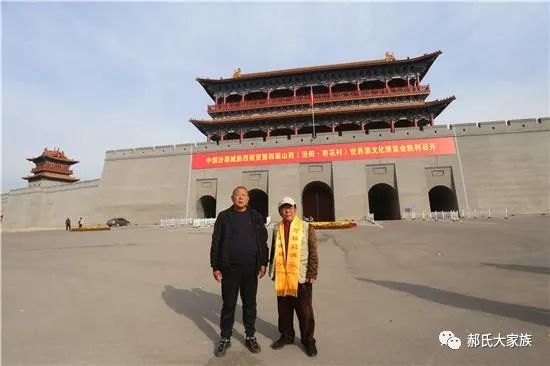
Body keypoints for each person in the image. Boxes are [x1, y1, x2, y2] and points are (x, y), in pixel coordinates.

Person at [210, 186, 268, 357]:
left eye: (244, 195)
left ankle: (250, 336)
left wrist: (263, 263)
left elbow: (263, 241)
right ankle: (225, 338)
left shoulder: (255, 217)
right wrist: (215, 266)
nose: (241, 198)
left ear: (248, 199)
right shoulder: (224, 217)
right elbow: (216, 242)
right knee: (228, 305)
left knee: (250, 304)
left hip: (251, 268)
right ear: (232, 198)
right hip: (230, 268)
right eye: (237, 195)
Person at [269, 196, 319, 357]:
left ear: (295, 209)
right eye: (283, 208)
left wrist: (312, 272)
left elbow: (313, 251)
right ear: (280, 211)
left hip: (301, 276)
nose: (287, 210)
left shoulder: (305, 227)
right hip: (282, 276)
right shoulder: (277, 228)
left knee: (305, 311)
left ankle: (308, 340)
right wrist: (272, 270)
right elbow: (273, 250)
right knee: (284, 311)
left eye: (290, 207)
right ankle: (286, 336)